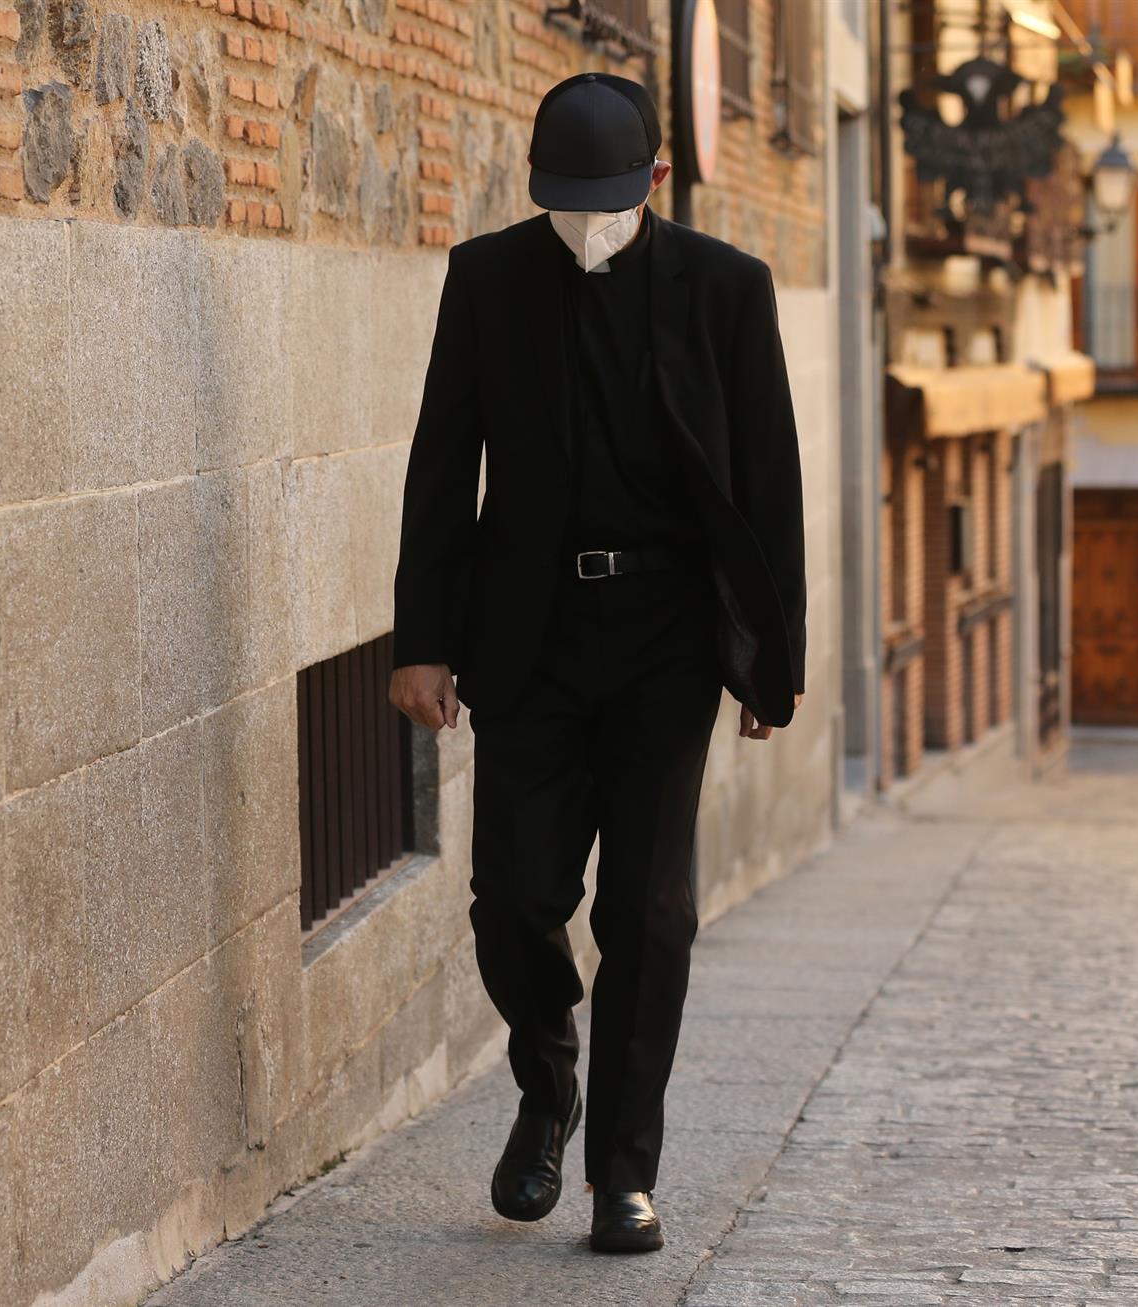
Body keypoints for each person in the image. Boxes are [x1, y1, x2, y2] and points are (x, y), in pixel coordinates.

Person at [387, 70, 805, 1254]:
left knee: (650, 911)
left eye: (608, 198)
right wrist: (423, 639)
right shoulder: (485, 280)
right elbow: (440, 464)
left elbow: (770, 483)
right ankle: (548, 1075)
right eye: (565, 199)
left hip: (668, 640)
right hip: (529, 637)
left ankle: (623, 1170)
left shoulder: (729, 290)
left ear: (656, 180)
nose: (585, 221)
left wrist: (768, 662)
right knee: (513, 899)